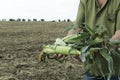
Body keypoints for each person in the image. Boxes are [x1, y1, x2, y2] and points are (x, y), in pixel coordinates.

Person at [67, 0, 120, 80]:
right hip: (91, 69)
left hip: (112, 69)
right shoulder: (85, 1)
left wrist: (90, 51)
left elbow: (118, 35)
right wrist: (66, 44)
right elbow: (77, 27)